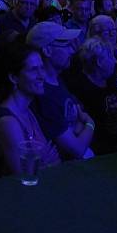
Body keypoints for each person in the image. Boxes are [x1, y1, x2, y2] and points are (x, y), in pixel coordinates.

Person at [0, 39, 61, 176]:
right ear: (13, 78)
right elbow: (24, 179)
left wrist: (44, 164)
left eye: (42, 68)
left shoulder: (27, 111)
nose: (42, 76)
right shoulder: (8, 123)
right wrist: (46, 164)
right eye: (33, 70)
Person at [27, 22, 95, 160]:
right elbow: (77, 149)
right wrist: (90, 123)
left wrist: (78, 127)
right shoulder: (44, 94)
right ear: (47, 50)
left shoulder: (57, 79)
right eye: (66, 45)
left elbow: (75, 121)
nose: (72, 50)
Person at [63, 37, 117, 154]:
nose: (115, 61)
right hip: (98, 148)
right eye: (111, 57)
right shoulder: (79, 87)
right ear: (99, 62)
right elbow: (79, 127)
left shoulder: (112, 79)